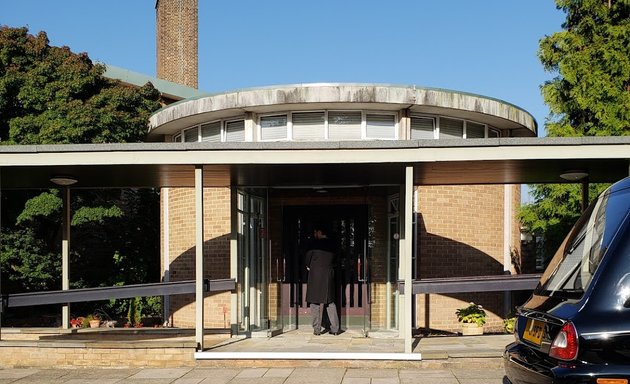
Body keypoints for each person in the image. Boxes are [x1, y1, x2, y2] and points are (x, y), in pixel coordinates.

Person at [305, 224, 340, 336]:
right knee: (330, 302)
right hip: (328, 276)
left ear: (319, 232)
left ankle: (317, 329)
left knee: (314, 302)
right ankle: (335, 329)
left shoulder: (314, 244)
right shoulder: (333, 244)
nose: (315, 234)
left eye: (316, 232)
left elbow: (307, 260)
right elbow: (337, 260)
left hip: (315, 276)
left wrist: (310, 266)